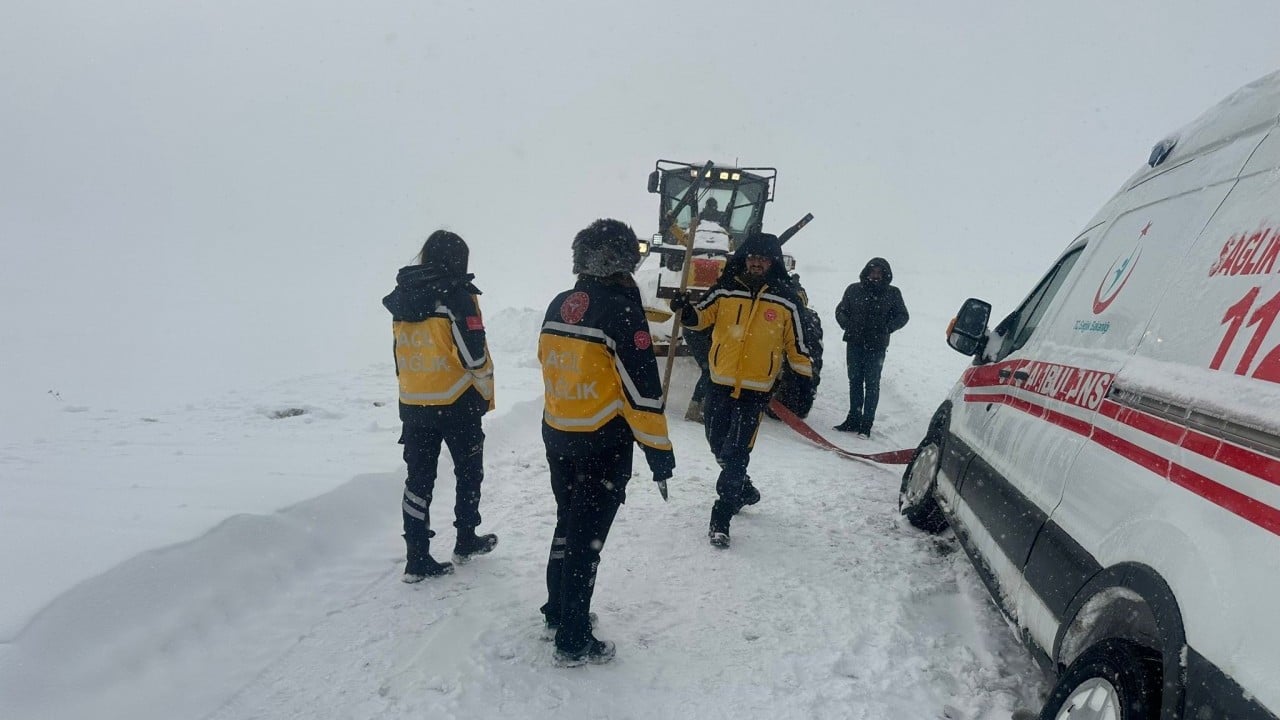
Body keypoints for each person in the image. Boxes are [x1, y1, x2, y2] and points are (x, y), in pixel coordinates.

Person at [538, 218, 675, 666]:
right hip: (601, 444)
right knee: (587, 540)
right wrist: (659, 452)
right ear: (623, 260)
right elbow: (642, 393)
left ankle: (557, 609)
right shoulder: (621, 311)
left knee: (567, 524)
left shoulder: (559, 304)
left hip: (559, 433)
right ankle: (574, 639)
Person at [670, 232, 814, 548]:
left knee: (736, 452)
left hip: (755, 391)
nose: (757, 262)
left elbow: (797, 345)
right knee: (716, 442)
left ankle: (722, 513)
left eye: (763, 258)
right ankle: (744, 490)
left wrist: (803, 380)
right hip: (719, 382)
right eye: (752, 257)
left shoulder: (786, 300)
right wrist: (685, 309)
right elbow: (700, 319)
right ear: (744, 258)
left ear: (773, 262)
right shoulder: (725, 290)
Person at [382, 230, 498, 582]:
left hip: (414, 402)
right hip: (457, 402)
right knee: (468, 472)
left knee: (418, 480)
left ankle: (416, 558)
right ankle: (465, 539)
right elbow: (473, 356)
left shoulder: (403, 296)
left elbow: (399, 352)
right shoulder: (457, 297)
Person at [833, 257, 909, 436]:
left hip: (877, 346)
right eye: (872, 271)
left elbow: (903, 316)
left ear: (885, 275)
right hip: (854, 343)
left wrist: (887, 328)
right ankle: (853, 419)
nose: (875, 276)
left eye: (879, 272)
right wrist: (846, 324)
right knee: (855, 381)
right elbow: (841, 310)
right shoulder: (853, 290)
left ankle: (866, 424)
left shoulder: (893, 293)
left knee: (872, 384)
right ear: (866, 272)